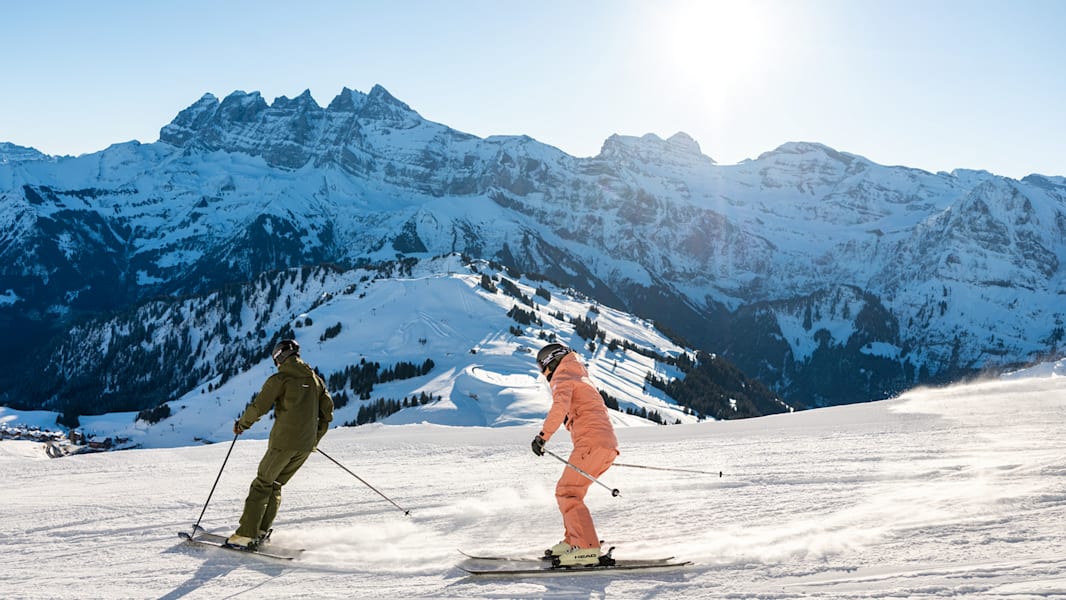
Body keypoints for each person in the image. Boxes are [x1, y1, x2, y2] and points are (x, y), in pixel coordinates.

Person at [226, 339, 333, 549]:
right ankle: (260, 531)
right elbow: (327, 415)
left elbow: (259, 407)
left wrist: (242, 425)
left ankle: (246, 535)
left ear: (279, 357)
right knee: (275, 485)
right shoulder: (316, 380)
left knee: (262, 484)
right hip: (304, 446)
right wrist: (312, 440)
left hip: (283, 443)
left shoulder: (281, 379)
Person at [531, 343, 619, 566]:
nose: (543, 373)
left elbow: (559, 407)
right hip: (602, 444)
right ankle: (574, 540)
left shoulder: (563, 377)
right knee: (572, 492)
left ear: (551, 362)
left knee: (567, 492)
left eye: (542, 367)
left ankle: (586, 547)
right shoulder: (578, 374)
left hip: (591, 444)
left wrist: (543, 437)